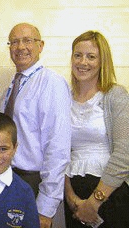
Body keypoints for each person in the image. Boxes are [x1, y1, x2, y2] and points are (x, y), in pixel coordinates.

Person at [0, 23, 71, 228]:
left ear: (41, 46)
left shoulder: (51, 83)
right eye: (14, 42)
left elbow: (58, 147)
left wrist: (46, 207)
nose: (20, 47)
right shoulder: (10, 89)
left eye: (27, 40)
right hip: (11, 180)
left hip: (36, 184)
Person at [64, 31, 129, 228]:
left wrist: (94, 202)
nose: (83, 62)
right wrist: (70, 197)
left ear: (102, 61)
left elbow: (124, 152)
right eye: (78, 55)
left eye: (91, 56)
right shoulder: (64, 98)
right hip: (74, 195)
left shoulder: (115, 95)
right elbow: (59, 151)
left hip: (110, 192)